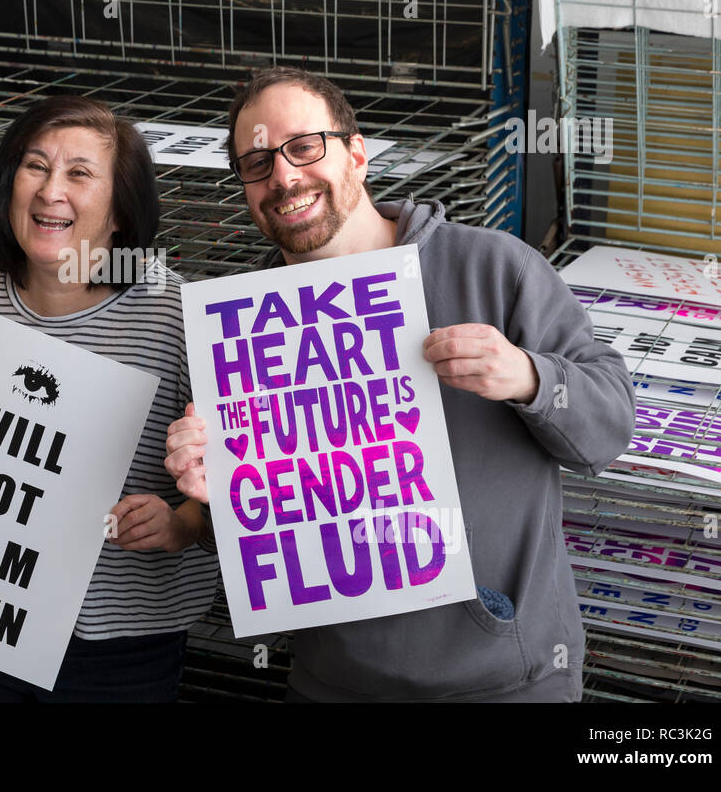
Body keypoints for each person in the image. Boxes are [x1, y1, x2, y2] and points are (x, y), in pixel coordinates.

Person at [164, 66, 636, 702]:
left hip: (503, 684)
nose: (283, 175)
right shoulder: (238, 333)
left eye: (304, 147)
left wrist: (528, 376)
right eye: (256, 162)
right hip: (332, 683)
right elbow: (268, 542)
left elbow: (611, 427)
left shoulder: (494, 267)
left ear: (357, 155)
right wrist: (218, 498)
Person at [0, 95, 219, 702]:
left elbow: (243, 484)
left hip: (120, 643)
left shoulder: (177, 317)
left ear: (121, 210)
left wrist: (183, 523)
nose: (52, 190)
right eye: (34, 166)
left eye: (80, 173)